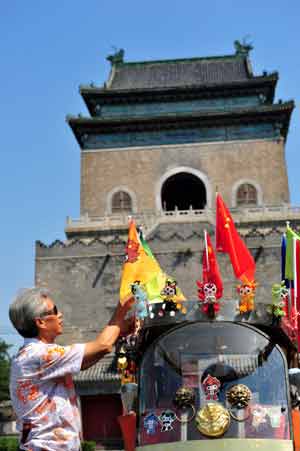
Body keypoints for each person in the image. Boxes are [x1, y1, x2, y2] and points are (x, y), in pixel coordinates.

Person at [9, 287, 133, 451]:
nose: (60, 315)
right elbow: (102, 346)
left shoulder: (37, 354)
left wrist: (117, 330)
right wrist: (121, 311)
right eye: (55, 310)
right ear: (41, 322)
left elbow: (85, 362)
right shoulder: (40, 355)